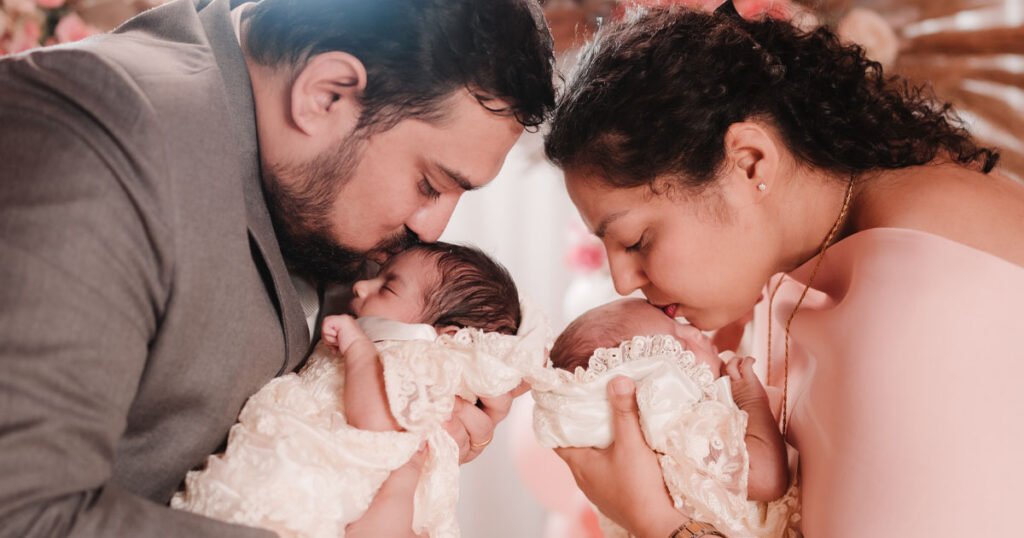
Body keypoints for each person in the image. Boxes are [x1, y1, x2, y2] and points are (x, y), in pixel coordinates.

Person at [0, 0, 555, 535]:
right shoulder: (94, 138)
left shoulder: (322, 186)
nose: (432, 228)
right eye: (430, 184)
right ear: (325, 94)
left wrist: (406, 431)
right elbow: (23, 514)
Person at [543, 2, 1024, 537]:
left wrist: (655, 522)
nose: (621, 282)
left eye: (635, 240)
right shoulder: (831, 250)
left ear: (750, 161)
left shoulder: (914, 293)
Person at [173, 242, 543, 537]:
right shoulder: (384, 344)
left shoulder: (416, 361)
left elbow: (376, 426)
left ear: (442, 336)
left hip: (326, 490)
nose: (363, 286)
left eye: (389, 286)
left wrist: (358, 350)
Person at [537, 298, 797, 537]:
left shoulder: (668, 440)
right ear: (653, 391)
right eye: (681, 345)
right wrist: (752, 400)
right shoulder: (681, 434)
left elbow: (706, 378)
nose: (695, 332)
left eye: (680, 326)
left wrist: (732, 328)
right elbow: (767, 479)